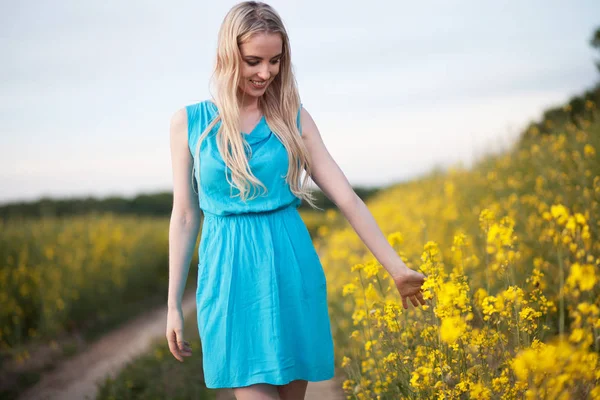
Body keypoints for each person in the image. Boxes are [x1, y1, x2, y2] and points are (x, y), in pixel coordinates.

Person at [166, 1, 427, 399]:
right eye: (253, 60)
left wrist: (397, 268)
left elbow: (347, 199)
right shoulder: (189, 122)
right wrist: (172, 305)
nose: (265, 73)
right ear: (228, 54)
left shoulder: (294, 119)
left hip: (290, 267)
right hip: (228, 276)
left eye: (274, 61)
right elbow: (185, 216)